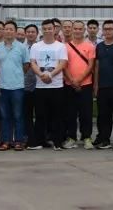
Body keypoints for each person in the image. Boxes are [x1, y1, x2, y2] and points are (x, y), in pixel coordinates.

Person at [29, 20, 68, 150]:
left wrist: (50, 75)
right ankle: (39, 141)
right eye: (45, 29)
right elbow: (33, 63)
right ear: (42, 30)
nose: (47, 31)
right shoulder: (36, 46)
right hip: (40, 86)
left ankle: (58, 142)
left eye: (50, 28)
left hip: (56, 86)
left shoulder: (60, 46)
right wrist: (41, 75)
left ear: (54, 29)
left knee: (57, 116)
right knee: (40, 116)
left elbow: (62, 63)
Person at [0, 21, 30, 150]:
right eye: (6, 29)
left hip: (17, 87)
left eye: (11, 29)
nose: (8, 31)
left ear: (15, 32)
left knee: (18, 115)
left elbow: (26, 65)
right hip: (3, 87)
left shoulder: (22, 48)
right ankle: (6, 141)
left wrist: (17, 74)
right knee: (5, 116)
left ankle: (18, 141)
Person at [63, 20, 96, 149]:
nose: (77, 31)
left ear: (84, 30)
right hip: (69, 84)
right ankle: (71, 137)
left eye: (80, 29)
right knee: (70, 112)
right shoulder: (65, 47)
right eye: (75, 29)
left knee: (86, 112)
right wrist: (72, 80)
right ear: (72, 30)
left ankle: (87, 137)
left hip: (86, 84)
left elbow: (91, 65)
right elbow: (64, 65)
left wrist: (79, 80)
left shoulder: (90, 46)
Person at [93, 20, 113, 150]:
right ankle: (104, 139)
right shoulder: (99, 46)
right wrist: (96, 84)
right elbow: (97, 66)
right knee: (103, 115)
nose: (108, 31)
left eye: (110, 29)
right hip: (102, 86)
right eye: (105, 29)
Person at [22, 24, 39, 141]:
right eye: (28, 32)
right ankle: (28, 136)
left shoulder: (41, 47)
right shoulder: (21, 48)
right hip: (25, 85)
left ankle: (40, 137)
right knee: (26, 113)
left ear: (37, 33)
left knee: (40, 113)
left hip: (40, 84)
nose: (30, 34)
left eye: (33, 32)